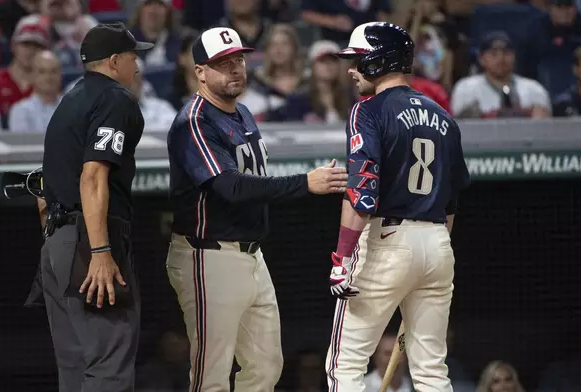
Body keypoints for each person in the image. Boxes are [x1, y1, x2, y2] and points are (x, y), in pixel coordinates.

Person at [165, 26, 348, 392]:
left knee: (266, 367)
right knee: (211, 375)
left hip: (251, 255)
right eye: (222, 63)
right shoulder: (194, 120)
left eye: (239, 60)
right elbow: (229, 187)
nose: (235, 69)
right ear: (199, 71)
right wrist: (304, 183)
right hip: (208, 256)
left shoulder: (243, 112)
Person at [325, 22, 470, 392]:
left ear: (378, 60)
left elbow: (362, 193)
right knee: (432, 371)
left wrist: (342, 258)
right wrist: (427, 257)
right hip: (438, 243)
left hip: (388, 242)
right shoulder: (444, 117)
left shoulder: (367, 110)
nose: (351, 70)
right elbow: (452, 200)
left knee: (344, 365)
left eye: (358, 60)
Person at [37, 22, 153, 392]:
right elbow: (93, 176)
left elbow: (41, 184)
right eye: (134, 57)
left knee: (76, 366)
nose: (137, 67)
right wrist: (100, 250)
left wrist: (58, 245)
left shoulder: (69, 101)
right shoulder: (114, 99)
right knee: (109, 362)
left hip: (58, 243)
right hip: (91, 242)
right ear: (115, 60)